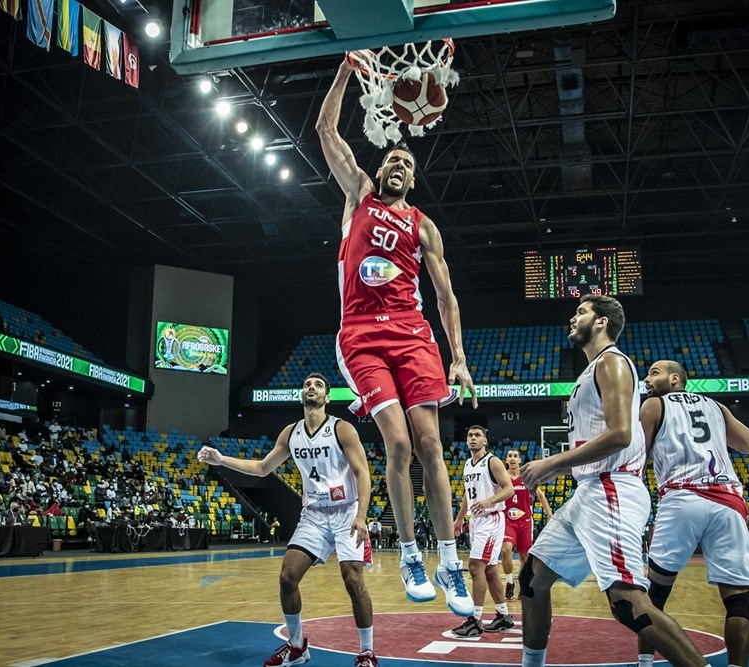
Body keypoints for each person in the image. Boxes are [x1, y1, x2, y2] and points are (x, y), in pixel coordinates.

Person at [316, 55, 477, 616]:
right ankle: (409, 552)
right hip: (361, 334)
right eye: (393, 158)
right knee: (400, 443)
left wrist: (458, 358)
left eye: (407, 161)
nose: (399, 165)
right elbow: (325, 131)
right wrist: (344, 72)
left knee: (431, 444)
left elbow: (447, 296)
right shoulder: (358, 193)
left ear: (414, 176)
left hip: (413, 334)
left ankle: (449, 559)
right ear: (381, 170)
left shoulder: (424, 225)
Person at [518, 296, 714, 667]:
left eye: (581, 312)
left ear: (602, 322)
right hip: (589, 492)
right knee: (532, 579)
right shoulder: (592, 370)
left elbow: (621, 433)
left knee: (627, 602)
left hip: (612, 487)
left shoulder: (612, 363)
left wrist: (552, 464)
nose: (572, 318)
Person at [197, 373, 379, 667]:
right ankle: (297, 647)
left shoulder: (342, 429)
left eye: (318, 385)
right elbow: (261, 468)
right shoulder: (290, 433)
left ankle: (367, 652)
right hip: (314, 515)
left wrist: (361, 516)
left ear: (327, 398)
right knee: (287, 577)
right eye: (307, 385)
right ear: (301, 395)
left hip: (347, 511)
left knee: (353, 579)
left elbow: (363, 474)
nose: (311, 388)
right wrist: (221, 460)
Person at [636, 360, 749, 667]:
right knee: (737, 598)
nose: (647, 379)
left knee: (653, 595)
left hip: (682, 498)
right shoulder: (717, 407)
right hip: (727, 502)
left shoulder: (654, 405)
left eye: (654, 372)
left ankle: (644, 663)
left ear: (676, 379)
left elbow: (635, 455)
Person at [450, 425, 515, 637]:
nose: (473, 439)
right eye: (470, 435)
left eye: (477, 435)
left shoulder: (492, 461)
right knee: (489, 570)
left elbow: (509, 489)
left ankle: (475, 620)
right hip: (476, 521)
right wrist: (460, 518)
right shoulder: (468, 464)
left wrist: (488, 501)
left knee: (475, 567)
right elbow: (469, 496)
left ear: (485, 440)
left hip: (492, 519)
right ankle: (503, 615)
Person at [501, 448, 552, 600]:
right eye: (509, 456)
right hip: (507, 520)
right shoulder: (503, 478)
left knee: (524, 557)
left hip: (525, 521)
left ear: (520, 460)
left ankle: (523, 586)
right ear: (506, 460)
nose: (512, 458)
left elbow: (540, 495)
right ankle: (510, 582)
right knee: (505, 550)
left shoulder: (526, 478)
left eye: (515, 456)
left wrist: (549, 514)